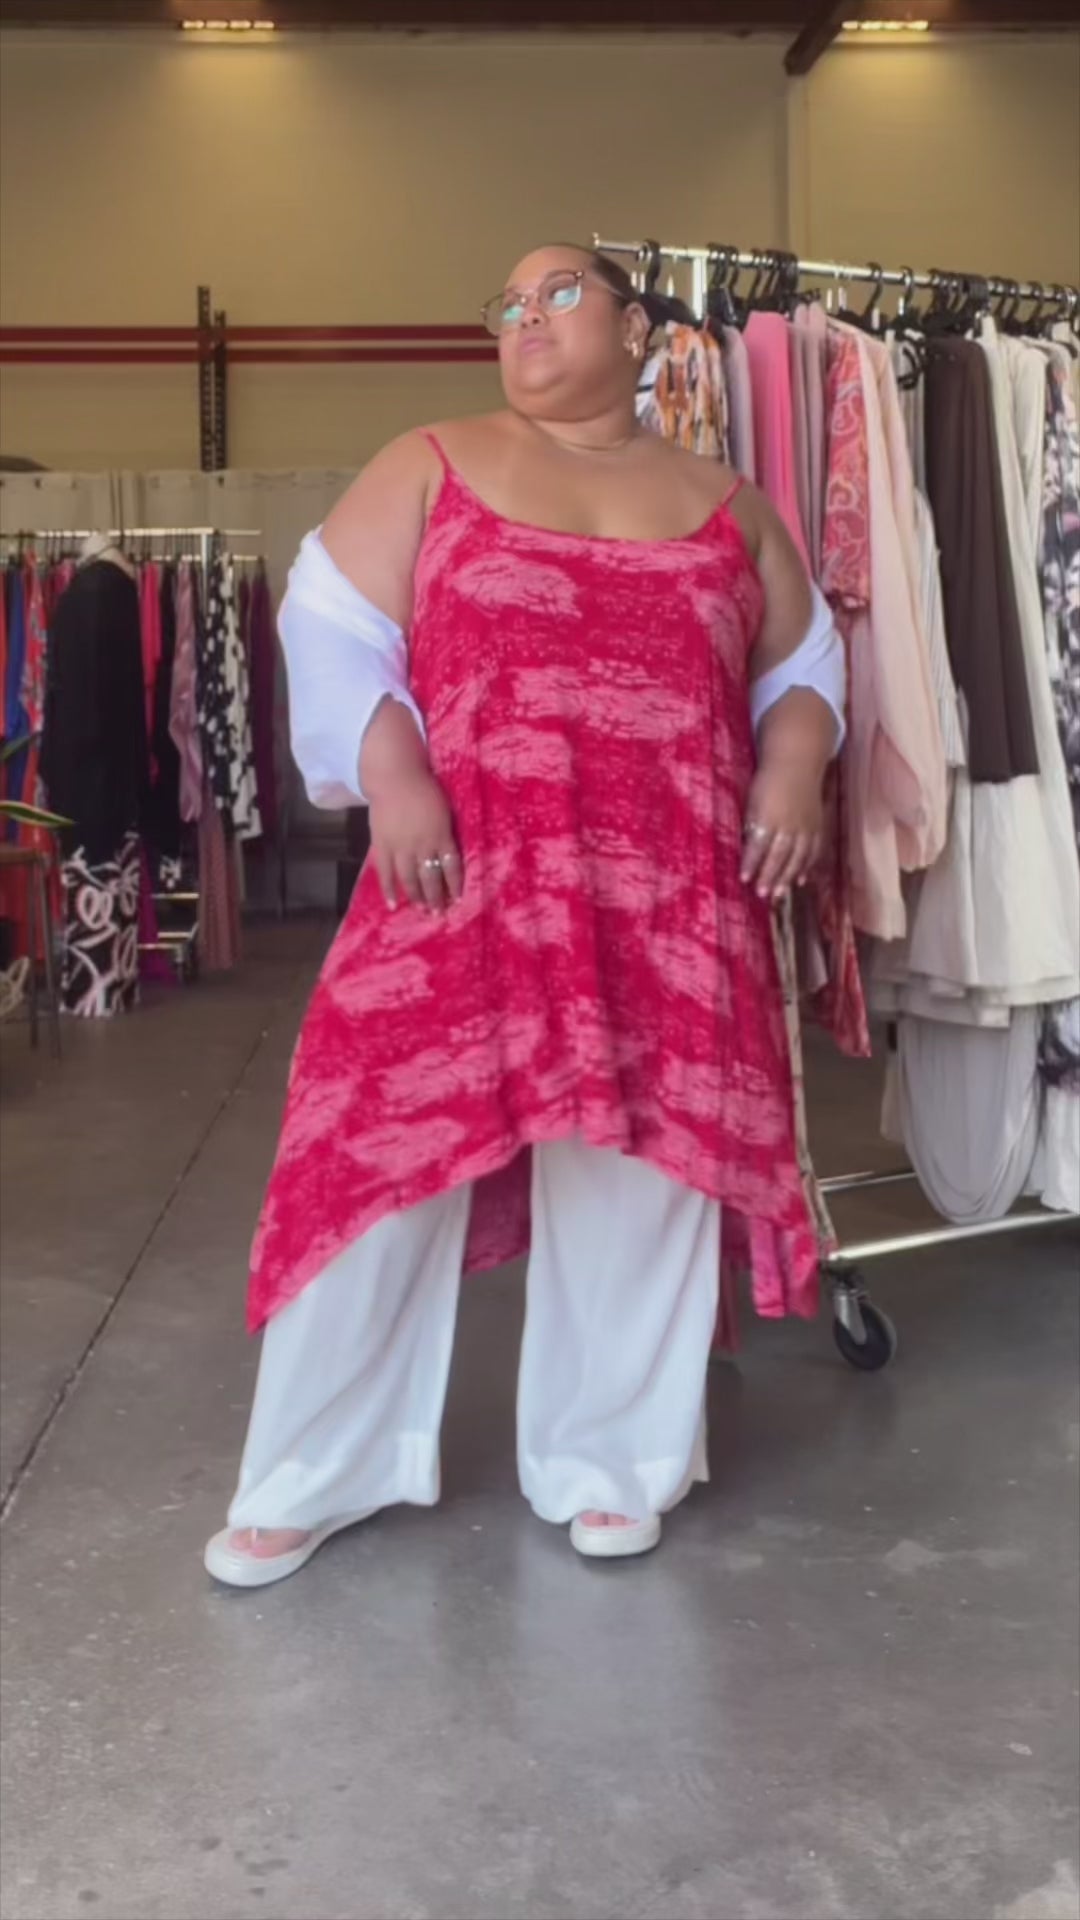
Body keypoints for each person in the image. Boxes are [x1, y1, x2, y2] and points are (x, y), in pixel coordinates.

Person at [204, 244, 845, 1589]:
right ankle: (314, 1471)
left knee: (642, 1166)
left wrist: (793, 763)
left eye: (558, 293)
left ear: (636, 325)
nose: (525, 317)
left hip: (669, 897)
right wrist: (393, 776)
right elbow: (330, 624)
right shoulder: (431, 461)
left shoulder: (730, 507)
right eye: (505, 304)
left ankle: (611, 1463)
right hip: (462, 878)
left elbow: (801, 664)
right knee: (372, 1155)